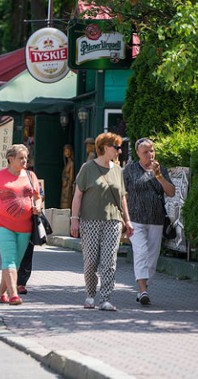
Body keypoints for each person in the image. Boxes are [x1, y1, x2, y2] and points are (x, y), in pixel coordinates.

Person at [70, 132, 134, 312]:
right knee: (91, 261)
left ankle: (106, 298)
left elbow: (122, 198)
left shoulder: (118, 170)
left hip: (113, 221)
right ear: (105, 148)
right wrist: (74, 220)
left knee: (109, 261)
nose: (120, 151)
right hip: (89, 220)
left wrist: (127, 221)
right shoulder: (87, 168)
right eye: (117, 147)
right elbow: (77, 195)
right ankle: (90, 295)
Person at [0, 144, 42, 306]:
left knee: (15, 263)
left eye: (26, 157)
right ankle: (13, 294)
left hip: (25, 227)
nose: (25, 161)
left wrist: (38, 206)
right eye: (21, 158)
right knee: (9, 259)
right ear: (10, 159)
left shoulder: (31, 176)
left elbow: (38, 196)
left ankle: (1, 293)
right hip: (2, 224)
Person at [124, 137, 176, 306]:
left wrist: (159, 175)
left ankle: (144, 288)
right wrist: (123, 219)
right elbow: (121, 194)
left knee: (152, 257)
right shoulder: (129, 170)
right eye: (145, 152)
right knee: (141, 251)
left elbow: (171, 192)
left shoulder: (161, 170)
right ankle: (142, 290)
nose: (150, 154)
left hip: (156, 219)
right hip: (136, 219)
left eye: (152, 150)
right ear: (138, 153)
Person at [60, 144, 75, 209]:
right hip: (65, 185)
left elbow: (71, 177)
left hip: (68, 186)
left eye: (68, 151)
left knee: (66, 202)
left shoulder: (71, 163)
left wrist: (69, 182)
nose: (67, 153)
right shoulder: (67, 163)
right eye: (66, 151)